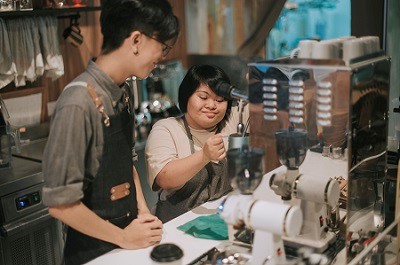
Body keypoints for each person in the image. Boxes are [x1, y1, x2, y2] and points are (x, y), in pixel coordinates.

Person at [41, 1, 179, 264]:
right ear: (136, 40)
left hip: (126, 241)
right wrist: (124, 238)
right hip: (94, 251)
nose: (162, 56)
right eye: (162, 47)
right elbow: (60, 205)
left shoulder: (122, 91)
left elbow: (127, 160)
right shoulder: (78, 102)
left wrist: (142, 211)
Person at [145, 65, 249, 223]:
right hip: (176, 226)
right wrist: (204, 156)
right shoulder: (167, 128)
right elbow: (164, 178)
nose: (212, 106)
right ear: (187, 96)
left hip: (222, 221)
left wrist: (258, 86)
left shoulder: (232, 119)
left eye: (220, 100)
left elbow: (269, 107)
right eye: (203, 97)